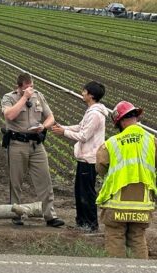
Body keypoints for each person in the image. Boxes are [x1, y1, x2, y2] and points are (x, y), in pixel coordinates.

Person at [1, 72, 64, 227]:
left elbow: (50, 117)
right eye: (27, 87)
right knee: (16, 181)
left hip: (36, 145)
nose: (30, 89)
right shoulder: (9, 98)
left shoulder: (38, 96)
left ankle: (50, 215)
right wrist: (24, 98)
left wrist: (43, 126)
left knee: (45, 180)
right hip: (17, 144)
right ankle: (16, 214)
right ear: (19, 87)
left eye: (32, 86)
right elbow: (9, 115)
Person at [96, 101, 155, 259]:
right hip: (142, 205)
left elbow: (101, 167)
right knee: (137, 238)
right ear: (136, 117)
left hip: (117, 204)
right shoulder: (152, 141)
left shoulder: (111, 144)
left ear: (121, 122)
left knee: (115, 237)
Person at [51, 81, 108, 232]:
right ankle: (81, 222)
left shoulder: (95, 114)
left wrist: (63, 132)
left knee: (87, 192)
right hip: (84, 158)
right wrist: (62, 127)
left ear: (91, 95)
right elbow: (80, 126)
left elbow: (83, 135)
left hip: (90, 159)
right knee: (80, 191)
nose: (82, 93)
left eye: (84, 91)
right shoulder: (91, 111)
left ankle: (90, 224)